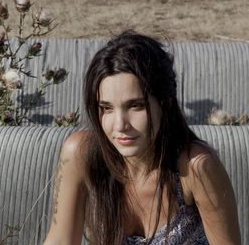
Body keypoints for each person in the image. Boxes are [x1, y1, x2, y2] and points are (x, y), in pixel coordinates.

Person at [43, 30, 241, 245]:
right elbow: (60, 240)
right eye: (106, 108)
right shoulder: (81, 153)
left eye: (135, 106)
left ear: (164, 103)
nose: (120, 125)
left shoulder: (196, 167)